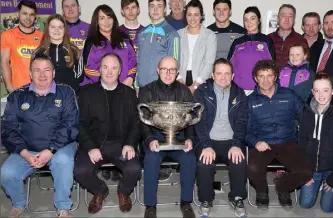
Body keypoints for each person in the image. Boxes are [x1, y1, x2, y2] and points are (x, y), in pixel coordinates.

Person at [0, 54, 79, 218]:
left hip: (59, 147)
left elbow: (70, 125)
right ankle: (18, 204)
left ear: (53, 73)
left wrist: (51, 150)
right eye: (37, 70)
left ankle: (63, 207)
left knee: (63, 161)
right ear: (30, 73)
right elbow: (7, 129)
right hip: (26, 149)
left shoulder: (65, 92)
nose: (42, 75)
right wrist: (24, 153)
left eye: (47, 70)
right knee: (6, 173)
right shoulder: (17, 96)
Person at [74, 53, 141, 214]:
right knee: (80, 171)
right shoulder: (86, 93)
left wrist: (130, 143)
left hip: (121, 144)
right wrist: (90, 147)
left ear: (120, 71)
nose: (109, 72)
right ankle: (100, 191)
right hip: (95, 144)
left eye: (114, 68)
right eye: (105, 67)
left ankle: (123, 192)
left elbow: (136, 123)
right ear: (99, 69)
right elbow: (80, 125)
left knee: (134, 169)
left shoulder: (129, 94)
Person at [245, 60, 311, 210]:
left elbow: (306, 118)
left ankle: (283, 187)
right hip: (262, 142)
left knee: (306, 172)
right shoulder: (249, 101)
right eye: (261, 76)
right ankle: (262, 192)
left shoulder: (289, 95)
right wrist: (255, 142)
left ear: (276, 77)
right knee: (252, 168)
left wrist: (304, 140)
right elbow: (244, 130)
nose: (266, 80)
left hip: (287, 141)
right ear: (255, 78)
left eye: (269, 75)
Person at [138, 56, 196, 218]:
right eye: (164, 69)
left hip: (179, 136)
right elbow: (142, 120)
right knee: (151, 159)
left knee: (189, 158)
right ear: (158, 70)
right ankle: (150, 205)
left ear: (177, 72)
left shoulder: (184, 91)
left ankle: (186, 202)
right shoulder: (147, 90)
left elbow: (190, 120)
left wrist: (190, 139)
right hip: (154, 137)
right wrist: (149, 139)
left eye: (172, 70)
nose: (168, 73)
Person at [194, 58, 248, 218]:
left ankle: (237, 197)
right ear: (212, 75)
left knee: (239, 161)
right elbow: (199, 122)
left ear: (232, 75)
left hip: (231, 142)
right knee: (204, 162)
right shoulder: (202, 92)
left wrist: (237, 144)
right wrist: (206, 145)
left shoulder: (240, 94)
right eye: (219, 73)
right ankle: (206, 199)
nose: (223, 77)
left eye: (227, 74)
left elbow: (242, 122)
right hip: (208, 140)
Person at [298, 72, 333, 213]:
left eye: (325, 90)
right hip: (313, 167)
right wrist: (304, 172)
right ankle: (317, 183)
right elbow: (301, 143)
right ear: (312, 92)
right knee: (305, 204)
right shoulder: (307, 113)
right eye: (316, 90)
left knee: (327, 208)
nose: (321, 95)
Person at [81, 4, 137, 88]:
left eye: (109, 17)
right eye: (102, 18)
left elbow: (133, 60)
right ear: (97, 21)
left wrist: (130, 78)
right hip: (101, 89)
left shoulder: (124, 38)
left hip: (125, 87)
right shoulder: (91, 42)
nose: (106, 22)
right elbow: (88, 69)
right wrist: (106, 82)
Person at [135, 0, 180, 90]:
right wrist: (136, 84)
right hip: (142, 87)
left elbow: (175, 64)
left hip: (162, 88)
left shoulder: (172, 34)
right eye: (152, 6)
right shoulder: (142, 33)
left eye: (159, 6)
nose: (155, 10)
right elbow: (138, 60)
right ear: (148, 9)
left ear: (164, 10)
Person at [227, 6, 275, 96]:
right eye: (246, 19)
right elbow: (228, 66)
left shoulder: (267, 41)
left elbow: (272, 68)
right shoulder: (237, 43)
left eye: (252, 18)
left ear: (259, 20)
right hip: (239, 91)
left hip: (260, 91)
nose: (249, 22)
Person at [32, 14, 84, 93]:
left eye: (60, 27)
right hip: (45, 97)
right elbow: (35, 76)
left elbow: (79, 77)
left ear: (65, 30)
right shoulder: (38, 53)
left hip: (69, 98)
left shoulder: (75, 51)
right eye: (53, 27)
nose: (57, 30)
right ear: (47, 29)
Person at [1, 0, 43, 92]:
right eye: (25, 13)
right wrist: (9, 87)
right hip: (19, 89)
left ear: (35, 16)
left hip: (40, 88)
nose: (28, 18)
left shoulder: (42, 36)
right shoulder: (8, 35)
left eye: (31, 14)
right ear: (18, 14)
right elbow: (4, 62)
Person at [177, 0, 217, 93]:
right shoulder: (178, 34)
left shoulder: (210, 36)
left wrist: (196, 85)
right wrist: (179, 79)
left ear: (201, 16)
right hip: (179, 82)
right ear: (185, 16)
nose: (192, 19)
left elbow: (209, 63)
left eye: (196, 15)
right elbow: (174, 59)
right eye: (189, 15)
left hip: (202, 83)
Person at [268, 4, 307, 69]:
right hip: (271, 78)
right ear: (278, 19)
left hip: (292, 78)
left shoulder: (301, 40)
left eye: (290, 16)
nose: (287, 19)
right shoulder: (268, 39)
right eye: (283, 16)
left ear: (294, 20)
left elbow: (305, 65)